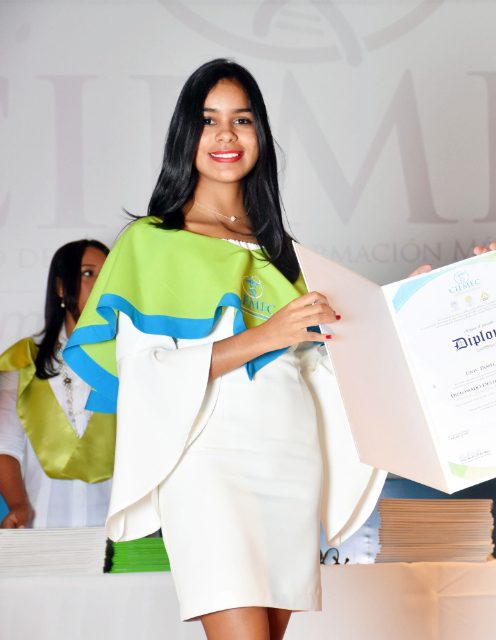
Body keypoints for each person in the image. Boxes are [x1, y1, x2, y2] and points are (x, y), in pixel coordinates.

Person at [64, 59, 384, 640]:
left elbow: (326, 363)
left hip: (290, 457)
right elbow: (144, 373)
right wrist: (268, 334)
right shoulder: (150, 242)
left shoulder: (282, 251)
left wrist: (403, 308)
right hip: (209, 459)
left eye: (242, 119)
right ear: (186, 135)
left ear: (260, 133)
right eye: (208, 120)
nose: (226, 135)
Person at [0, 240, 112, 529]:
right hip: (42, 527)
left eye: (107, 273)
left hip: (118, 531)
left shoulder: (130, 357)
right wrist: (18, 506)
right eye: (87, 273)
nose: (99, 283)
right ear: (61, 287)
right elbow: (6, 447)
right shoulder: (23, 358)